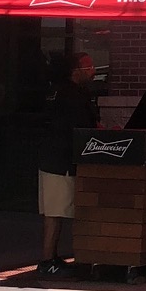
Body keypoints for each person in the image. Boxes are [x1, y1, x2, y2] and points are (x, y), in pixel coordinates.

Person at [36, 52, 99, 277]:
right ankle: (47, 261)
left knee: (55, 212)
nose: (93, 72)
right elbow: (82, 127)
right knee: (55, 213)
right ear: (76, 71)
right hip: (61, 162)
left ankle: (51, 258)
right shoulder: (72, 95)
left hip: (51, 158)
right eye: (89, 68)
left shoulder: (55, 91)